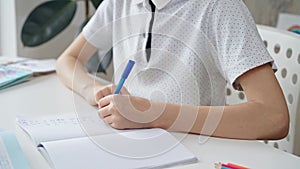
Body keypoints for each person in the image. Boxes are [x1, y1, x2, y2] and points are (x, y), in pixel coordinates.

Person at [56, 0, 289, 140]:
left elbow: (274, 117)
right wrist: (93, 90)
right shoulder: (119, 3)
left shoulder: (220, 7)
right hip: (129, 143)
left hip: (198, 150)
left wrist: (150, 114)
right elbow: (68, 59)